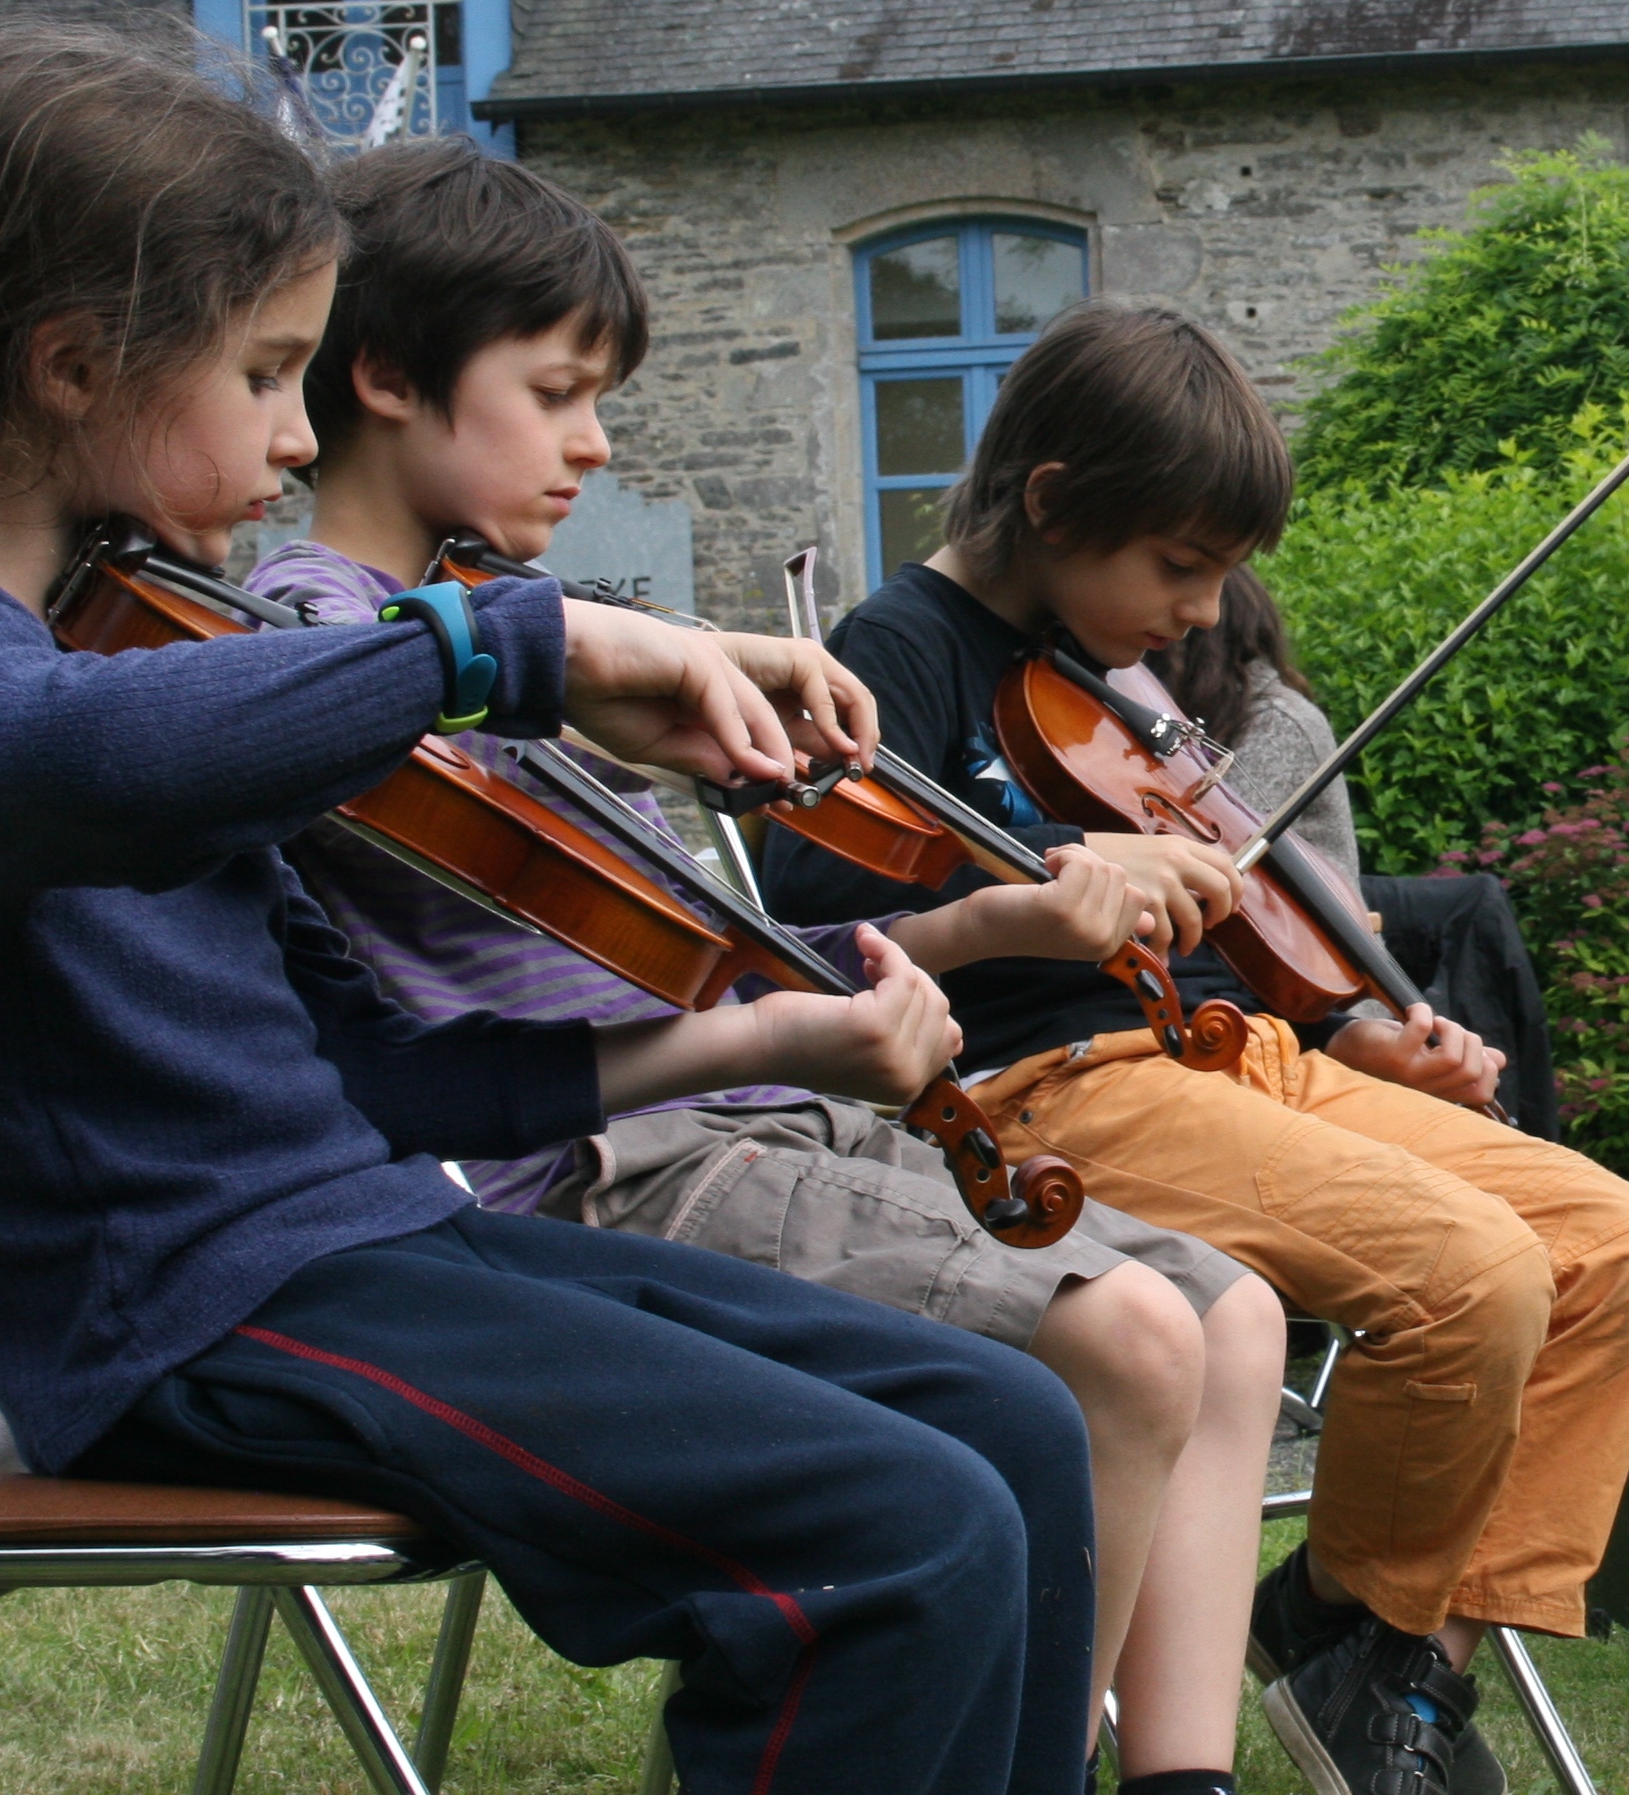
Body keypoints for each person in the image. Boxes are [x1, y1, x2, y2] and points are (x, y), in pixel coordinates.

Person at [0, 24, 1103, 1795]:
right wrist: (514, 649)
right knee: (891, 1531)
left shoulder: (136, 658)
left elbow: (379, 1072)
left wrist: (751, 1033)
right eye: (267, 374)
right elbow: (65, 769)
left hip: (355, 1248)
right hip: (190, 1313)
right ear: (72, 367)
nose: (290, 434)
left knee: (1007, 1422)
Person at [247, 136, 1286, 1795]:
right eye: (558, 390)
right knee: (1139, 1338)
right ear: (386, 378)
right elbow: (305, 703)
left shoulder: (506, 640)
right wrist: (558, 658)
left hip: (741, 1120)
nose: (594, 444)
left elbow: (696, 958)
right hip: (602, 1171)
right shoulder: (328, 631)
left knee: (1234, 1318)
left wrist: (991, 922)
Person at [762, 301, 1629, 1795]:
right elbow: (821, 904)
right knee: (1475, 1274)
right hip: (1044, 1088)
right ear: (1052, 500)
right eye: (1179, 567)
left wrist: (1362, 1030)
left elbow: (1228, 940)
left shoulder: (1097, 671)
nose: (1201, 612)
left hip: (1225, 1053)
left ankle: (1374, 1658)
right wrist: (1056, 869)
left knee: (1615, 1248)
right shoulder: (899, 648)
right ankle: (1350, 1650)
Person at [1149, 567, 1560, 1139]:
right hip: (1252, 1002)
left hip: (1317, 1007)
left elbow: (1208, 854)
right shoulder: (1197, 726)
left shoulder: (1275, 722)